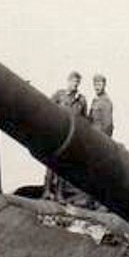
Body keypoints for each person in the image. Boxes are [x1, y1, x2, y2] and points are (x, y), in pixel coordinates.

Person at [45, 71, 88, 201]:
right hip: (56, 133)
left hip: (70, 138)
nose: (75, 84)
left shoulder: (81, 100)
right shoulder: (60, 95)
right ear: (68, 81)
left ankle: (59, 193)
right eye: (74, 81)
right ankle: (47, 191)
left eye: (77, 82)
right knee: (50, 163)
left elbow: (84, 120)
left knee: (63, 166)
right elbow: (47, 108)